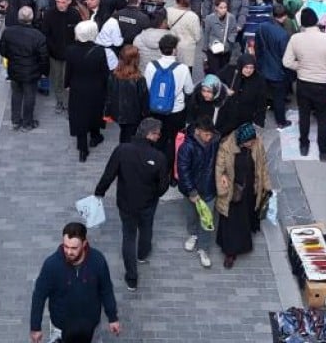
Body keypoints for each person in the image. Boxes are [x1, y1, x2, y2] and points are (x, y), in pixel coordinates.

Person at [93, 117, 169, 291]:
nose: (159, 137)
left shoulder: (122, 150)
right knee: (146, 228)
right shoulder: (159, 157)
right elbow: (163, 186)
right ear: (151, 134)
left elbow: (108, 174)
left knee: (128, 236)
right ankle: (142, 254)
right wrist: (154, 195)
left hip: (126, 203)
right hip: (148, 203)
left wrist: (99, 192)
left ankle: (132, 277)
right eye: (157, 134)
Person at [29, 222, 121, 343]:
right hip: (61, 328)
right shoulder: (52, 265)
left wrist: (112, 317)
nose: (69, 252)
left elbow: (106, 290)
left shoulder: (97, 260)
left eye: (74, 248)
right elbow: (39, 296)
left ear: (84, 243)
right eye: (66, 246)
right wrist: (35, 327)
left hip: (91, 327)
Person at [283, 8, 326, 159]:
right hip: (323, 84)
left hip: (303, 83)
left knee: (304, 115)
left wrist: (301, 67)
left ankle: (304, 144)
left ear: (302, 23)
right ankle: (323, 150)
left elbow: (287, 62)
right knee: (323, 116)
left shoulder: (295, 38)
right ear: (316, 20)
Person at [214, 123, 272, 268]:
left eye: (252, 142)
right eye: (249, 142)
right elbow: (219, 169)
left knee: (246, 217)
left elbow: (262, 165)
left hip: (249, 190)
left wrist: (266, 186)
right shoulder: (226, 147)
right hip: (232, 191)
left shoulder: (257, 144)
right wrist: (223, 186)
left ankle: (243, 244)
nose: (251, 144)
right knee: (231, 222)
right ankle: (230, 252)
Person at [144, 33, 196, 168]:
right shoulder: (182, 68)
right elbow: (189, 90)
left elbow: (148, 87)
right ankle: (171, 172)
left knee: (156, 139)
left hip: (155, 109)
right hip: (176, 111)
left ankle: (155, 167)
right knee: (173, 141)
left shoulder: (151, 66)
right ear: (174, 50)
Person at [176, 117, 219, 269]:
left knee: (207, 220)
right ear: (198, 132)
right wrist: (191, 191)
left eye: (211, 135)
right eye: (206, 135)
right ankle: (192, 234)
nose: (209, 138)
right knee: (191, 215)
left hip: (209, 188)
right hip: (191, 190)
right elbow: (183, 170)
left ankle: (204, 248)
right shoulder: (187, 147)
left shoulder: (215, 142)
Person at [65, 20, 111, 161]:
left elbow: (69, 71)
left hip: (78, 88)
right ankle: (95, 136)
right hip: (96, 88)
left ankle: (82, 147)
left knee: (79, 115)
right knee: (95, 113)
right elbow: (105, 73)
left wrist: (67, 84)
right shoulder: (99, 51)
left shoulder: (71, 50)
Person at [0, 6, 50, 131]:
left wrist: (12, 57)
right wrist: (44, 72)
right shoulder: (38, 36)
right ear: (32, 18)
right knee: (29, 96)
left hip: (14, 69)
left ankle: (15, 121)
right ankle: (27, 123)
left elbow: (2, 51)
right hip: (31, 71)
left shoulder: (8, 32)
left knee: (16, 94)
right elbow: (43, 57)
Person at [255, 4, 294, 129]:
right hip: (277, 71)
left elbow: (257, 47)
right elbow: (285, 56)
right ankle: (281, 121)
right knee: (279, 98)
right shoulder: (283, 35)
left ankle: (260, 118)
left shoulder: (261, 27)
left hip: (263, 67)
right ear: (284, 17)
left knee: (263, 94)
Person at [42, 0, 80, 115]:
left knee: (69, 80)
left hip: (70, 55)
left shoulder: (74, 14)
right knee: (57, 79)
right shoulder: (49, 14)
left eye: (63, 2)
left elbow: (78, 33)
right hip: (55, 55)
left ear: (69, 2)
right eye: (58, 2)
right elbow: (45, 34)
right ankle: (60, 101)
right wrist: (51, 49)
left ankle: (69, 104)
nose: (60, 5)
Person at [105, 45, 149, 144]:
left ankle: (122, 150)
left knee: (124, 133)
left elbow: (109, 96)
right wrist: (146, 114)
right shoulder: (139, 79)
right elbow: (144, 99)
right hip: (134, 115)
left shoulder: (114, 75)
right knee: (130, 135)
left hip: (118, 113)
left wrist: (107, 113)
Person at [219, 53, 269, 130]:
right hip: (227, 115)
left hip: (246, 117)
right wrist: (225, 89)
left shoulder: (259, 79)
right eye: (246, 67)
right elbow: (215, 80)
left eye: (251, 68)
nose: (249, 70)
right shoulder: (230, 71)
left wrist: (259, 122)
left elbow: (262, 102)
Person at [166, 0, 201, 69]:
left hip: (171, 48)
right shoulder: (193, 17)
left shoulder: (168, 11)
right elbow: (197, 37)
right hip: (187, 52)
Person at [202, 0, 236, 76]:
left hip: (225, 49)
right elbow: (206, 34)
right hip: (213, 49)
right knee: (214, 72)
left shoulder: (231, 18)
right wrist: (205, 50)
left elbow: (233, 31)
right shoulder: (209, 18)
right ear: (216, 7)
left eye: (225, 7)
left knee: (224, 72)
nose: (223, 10)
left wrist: (230, 40)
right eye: (221, 7)